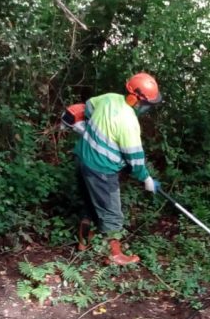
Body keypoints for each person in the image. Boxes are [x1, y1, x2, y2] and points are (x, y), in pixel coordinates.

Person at [61, 72, 163, 265]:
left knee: (89, 205)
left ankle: (83, 244)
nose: (147, 109)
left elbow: (88, 107)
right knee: (112, 212)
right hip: (102, 171)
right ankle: (115, 255)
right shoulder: (129, 123)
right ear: (136, 99)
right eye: (147, 105)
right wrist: (146, 179)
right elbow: (135, 158)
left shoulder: (109, 98)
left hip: (83, 160)